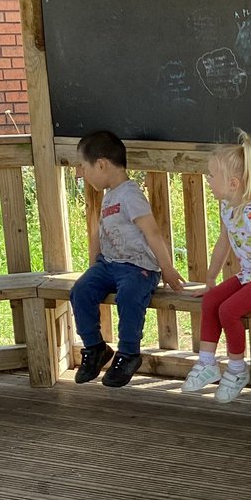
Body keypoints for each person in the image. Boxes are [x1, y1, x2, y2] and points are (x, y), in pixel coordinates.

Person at [181, 130, 251, 403]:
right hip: (250, 275)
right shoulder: (227, 207)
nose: (207, 180)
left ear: (233, 183)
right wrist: (210, 280)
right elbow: (224, 242)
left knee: (228, 310)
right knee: (211, 300)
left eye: (211, 175)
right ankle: (207, 363)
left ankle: (236, 368)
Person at [71, 130, 185, 389]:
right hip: (109, 265)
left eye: (84, 166)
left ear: (101, 164)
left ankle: (128, 353)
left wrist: (166, 268)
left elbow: (152, 231)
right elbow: (99, 233)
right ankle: (95, 347)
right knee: (81, 290)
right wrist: (93, 268)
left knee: (129, 295)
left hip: (138, 267)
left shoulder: (130, 194)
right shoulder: (109, 194)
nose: (81, 173)